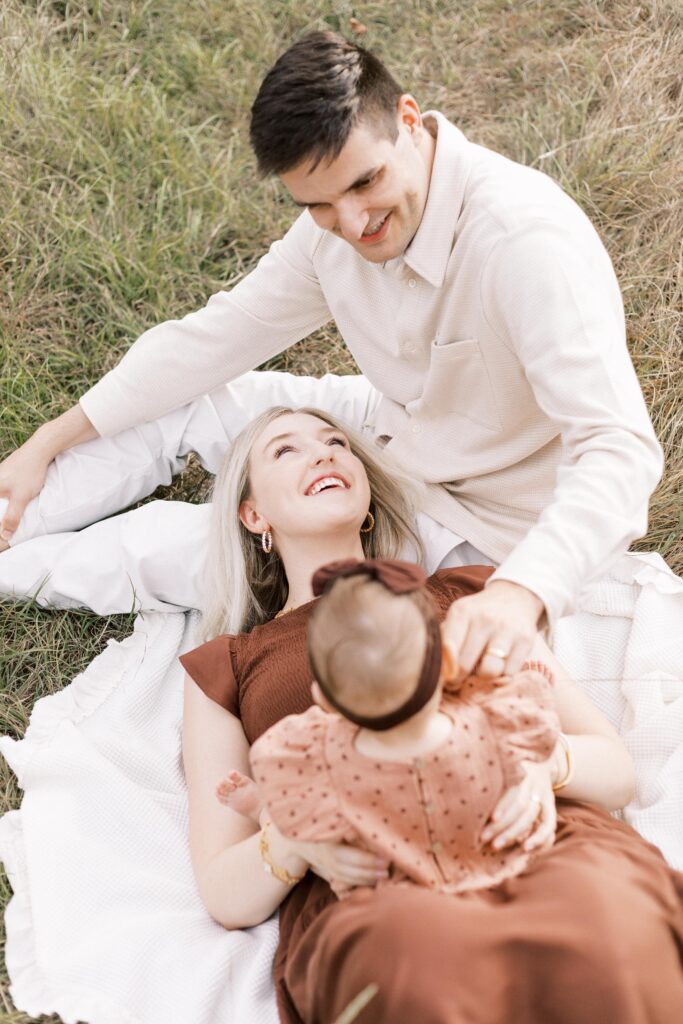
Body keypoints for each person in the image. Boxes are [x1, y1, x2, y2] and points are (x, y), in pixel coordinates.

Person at [0, 30, 664, 682]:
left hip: (474, 517)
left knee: (176, 545)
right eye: (317, 205)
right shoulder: (335, 227)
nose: (352, 224)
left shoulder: (524, 245)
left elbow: (618, 449)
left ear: (407, 120)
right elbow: (215, 338)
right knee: (191, 399)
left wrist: (521, 591)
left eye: (365, 183)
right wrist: (46, 442)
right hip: (391, 421)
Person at [179, 404, 683, 1024]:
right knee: (420, 962)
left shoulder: (472, 593)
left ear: (366, 503)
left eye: (337, 441)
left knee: (608, 919)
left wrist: (536, 767)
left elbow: (616, 770)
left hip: (534, 837)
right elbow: (226, 893)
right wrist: (302, 833)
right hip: (373, 879)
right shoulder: (228, 665)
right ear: (253, 514)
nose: (325, 452)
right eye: (286, 450)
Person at [215, 556, 563, 901]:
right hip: (498, 869)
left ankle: (267, 810)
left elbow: (285, 776)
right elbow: (533, 695)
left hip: (394, 887)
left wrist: (543, 772)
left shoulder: (323, 755)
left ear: (323, 700)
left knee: (306, 809)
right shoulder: (487, 714)